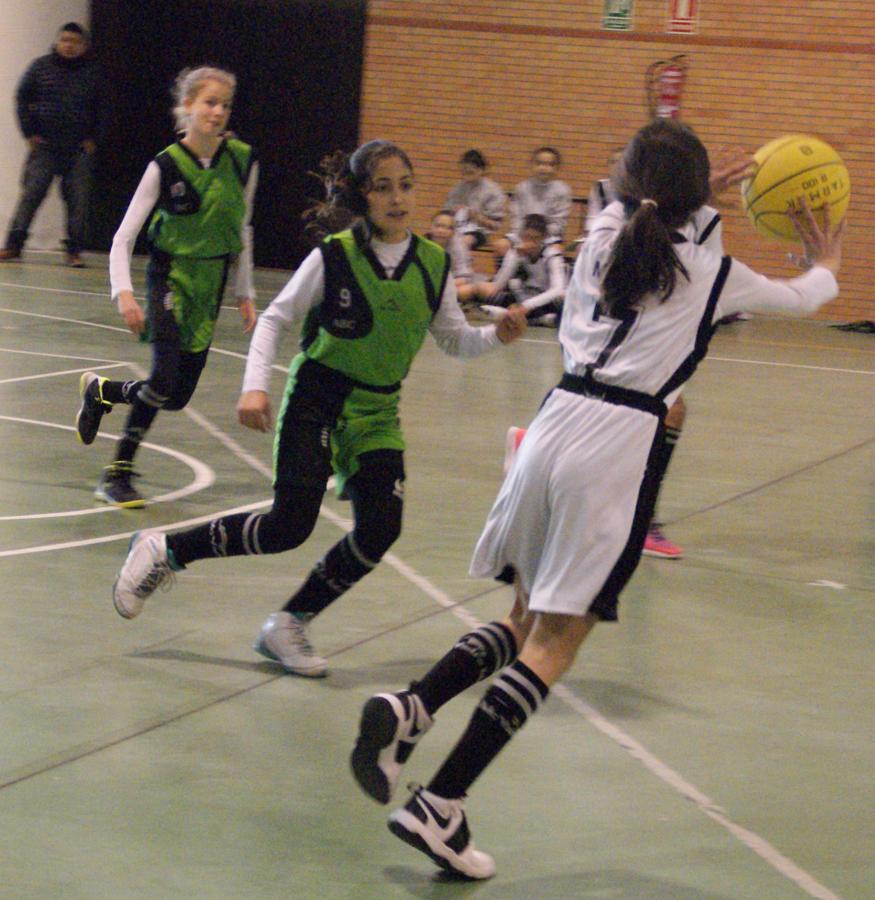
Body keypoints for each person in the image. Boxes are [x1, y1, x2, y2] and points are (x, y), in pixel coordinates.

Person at [350, 119, 844, 880]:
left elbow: (633, 201)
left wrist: (693, 197)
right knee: (556, 642)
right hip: (612, 448)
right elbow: (809, 296)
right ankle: (439, 804)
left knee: (521, 620)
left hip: (548, 428)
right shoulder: (712, 271)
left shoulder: (606, 231)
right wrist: (825, 258)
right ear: (691, 198)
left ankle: (413, 707)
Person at [110, 139, 528, 678]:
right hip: (318, 397)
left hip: (377, 411)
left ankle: (288, 625)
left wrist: (497, 334)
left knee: (380, 528)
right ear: (361, 196)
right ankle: (166, 549)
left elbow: (453, 340)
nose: (397, 198)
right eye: (383, 187)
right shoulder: (334, 255)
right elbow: (276, 319)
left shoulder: (433, 263)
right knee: (289, 526)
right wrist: (253, 386)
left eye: (405, 184)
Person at [74, 66, 258, 507]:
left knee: (175, 397)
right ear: (188, 107)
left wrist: (244, 291)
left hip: (210, 280)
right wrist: (123, 292)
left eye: (224, 105)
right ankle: (117, 473)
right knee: (162, 377)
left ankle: (102, 392)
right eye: (209, 102)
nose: (217, 112)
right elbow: (123, 237)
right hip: (170, 274)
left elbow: (243, 228)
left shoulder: (243, 161)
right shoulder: (165, 166)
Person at [0, 22, 105, 267]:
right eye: (65, 40)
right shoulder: (40, 67)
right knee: (30, 196)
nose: (69, 45)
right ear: (58, 41)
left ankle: (74, 251)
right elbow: (22, 98)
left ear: (83, 46)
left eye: (75, 41)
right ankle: (13, 246)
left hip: (78, 149)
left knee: (78, 202)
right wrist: (29, 133)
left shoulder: (93, 73)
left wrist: (94, 140)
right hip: (45, 147)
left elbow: (104, 109)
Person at [478, 213, 567, 326]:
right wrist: (515, 256)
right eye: (527, 237)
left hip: (546, 299)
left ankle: (513, 315)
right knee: (494, 295)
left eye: (536, 238)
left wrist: (527, 305)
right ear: (522, 235)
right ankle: (537, 319)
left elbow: (557, 289)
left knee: (561, 300)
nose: (531, 242)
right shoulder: (516, 252)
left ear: (544, 237)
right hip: (525, 296)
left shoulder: (552, 256)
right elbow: (499, 284)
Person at [445, 149, 506, 258]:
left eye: (470, 173)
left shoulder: (493, 191)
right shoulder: (458, 188)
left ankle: (461, 270)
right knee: (433, 239)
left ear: (481, 170)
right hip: (457, 227)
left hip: (480, 231)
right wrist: (452, 212)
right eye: (464, 173)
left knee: (462, 243)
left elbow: (495, 225)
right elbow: (446, 212)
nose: (466, 177)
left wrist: (477, 218)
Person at [508, 147, 573, 245]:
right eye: (539, 163)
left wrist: (538, 236)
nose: (544, 168)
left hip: (549, 237)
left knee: (556, 250)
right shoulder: (521, 187)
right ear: (532, 165)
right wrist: (525, 235)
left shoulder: (562, 190)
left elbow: (559, 222)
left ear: (557, 168)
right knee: (501, 246)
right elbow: (516, 217)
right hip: (522, 234)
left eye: (550, 164)